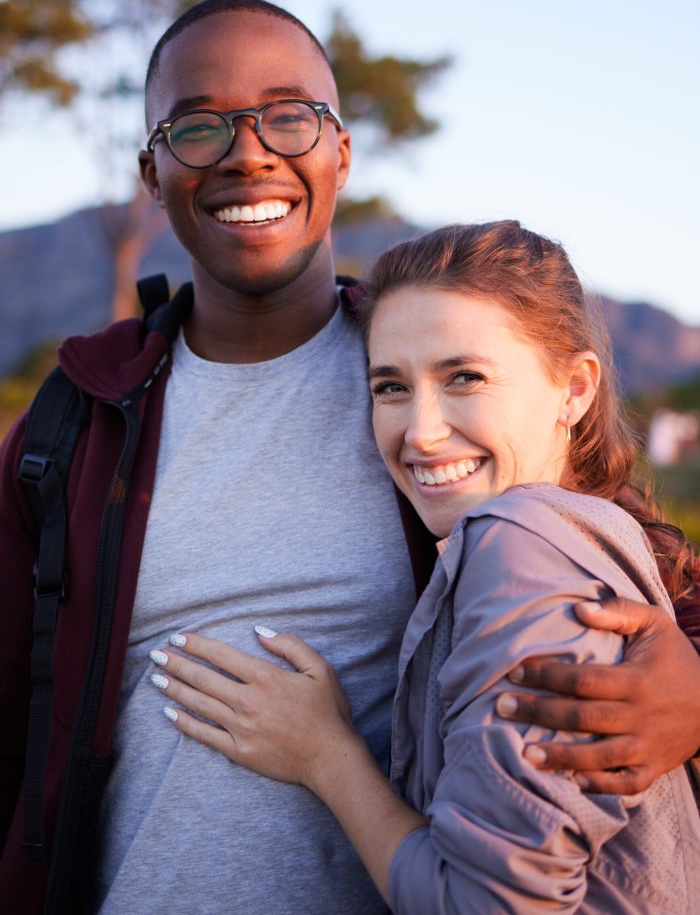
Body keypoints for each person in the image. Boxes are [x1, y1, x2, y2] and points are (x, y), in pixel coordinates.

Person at [0, 0, 698, 914]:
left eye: (289, 117)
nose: (249, 153)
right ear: (151, 171)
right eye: (199, 127)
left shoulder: (438, 379)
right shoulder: (79, 421)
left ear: (341, 151)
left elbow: (627, 565)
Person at [147, 221, 700, 912]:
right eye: (391, 387)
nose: (422, 432)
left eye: (465, 377)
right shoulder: (590, 534)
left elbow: (484, 903)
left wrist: (326, 756)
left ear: (575, 388)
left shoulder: (519, 543)